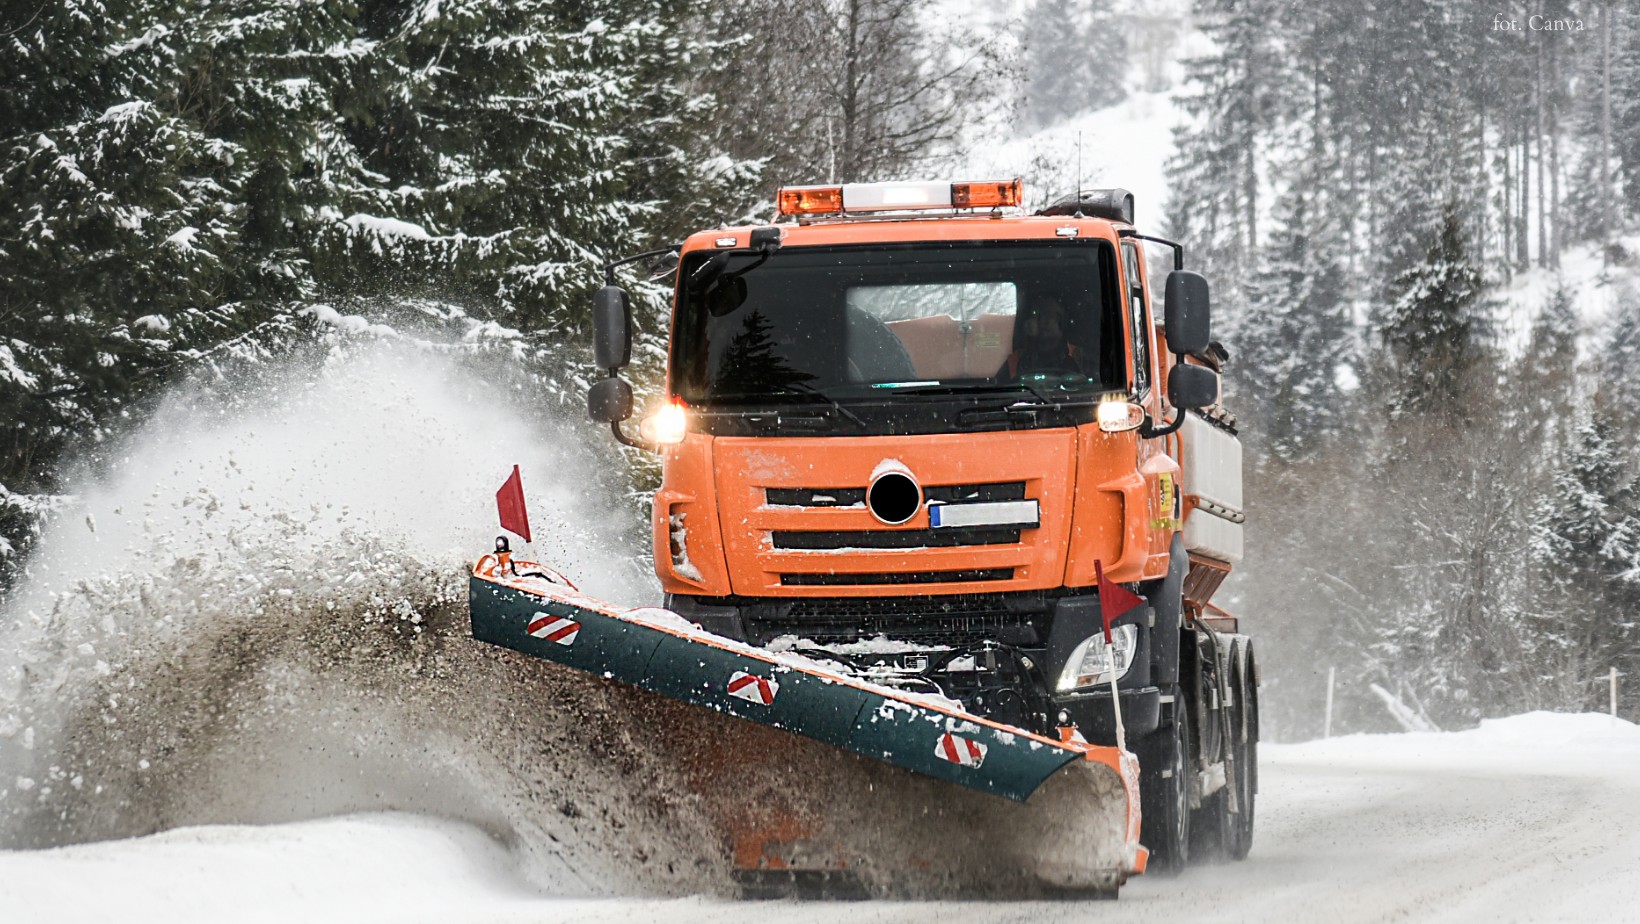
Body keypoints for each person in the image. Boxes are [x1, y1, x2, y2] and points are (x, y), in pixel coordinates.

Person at [999, 293, 1083, 379]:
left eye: (1049, 316)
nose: (1042, 321)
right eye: (1038, 315)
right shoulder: (1015, 360)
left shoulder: (1078, 356)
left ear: (1063, 322)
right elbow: (1000, 385)